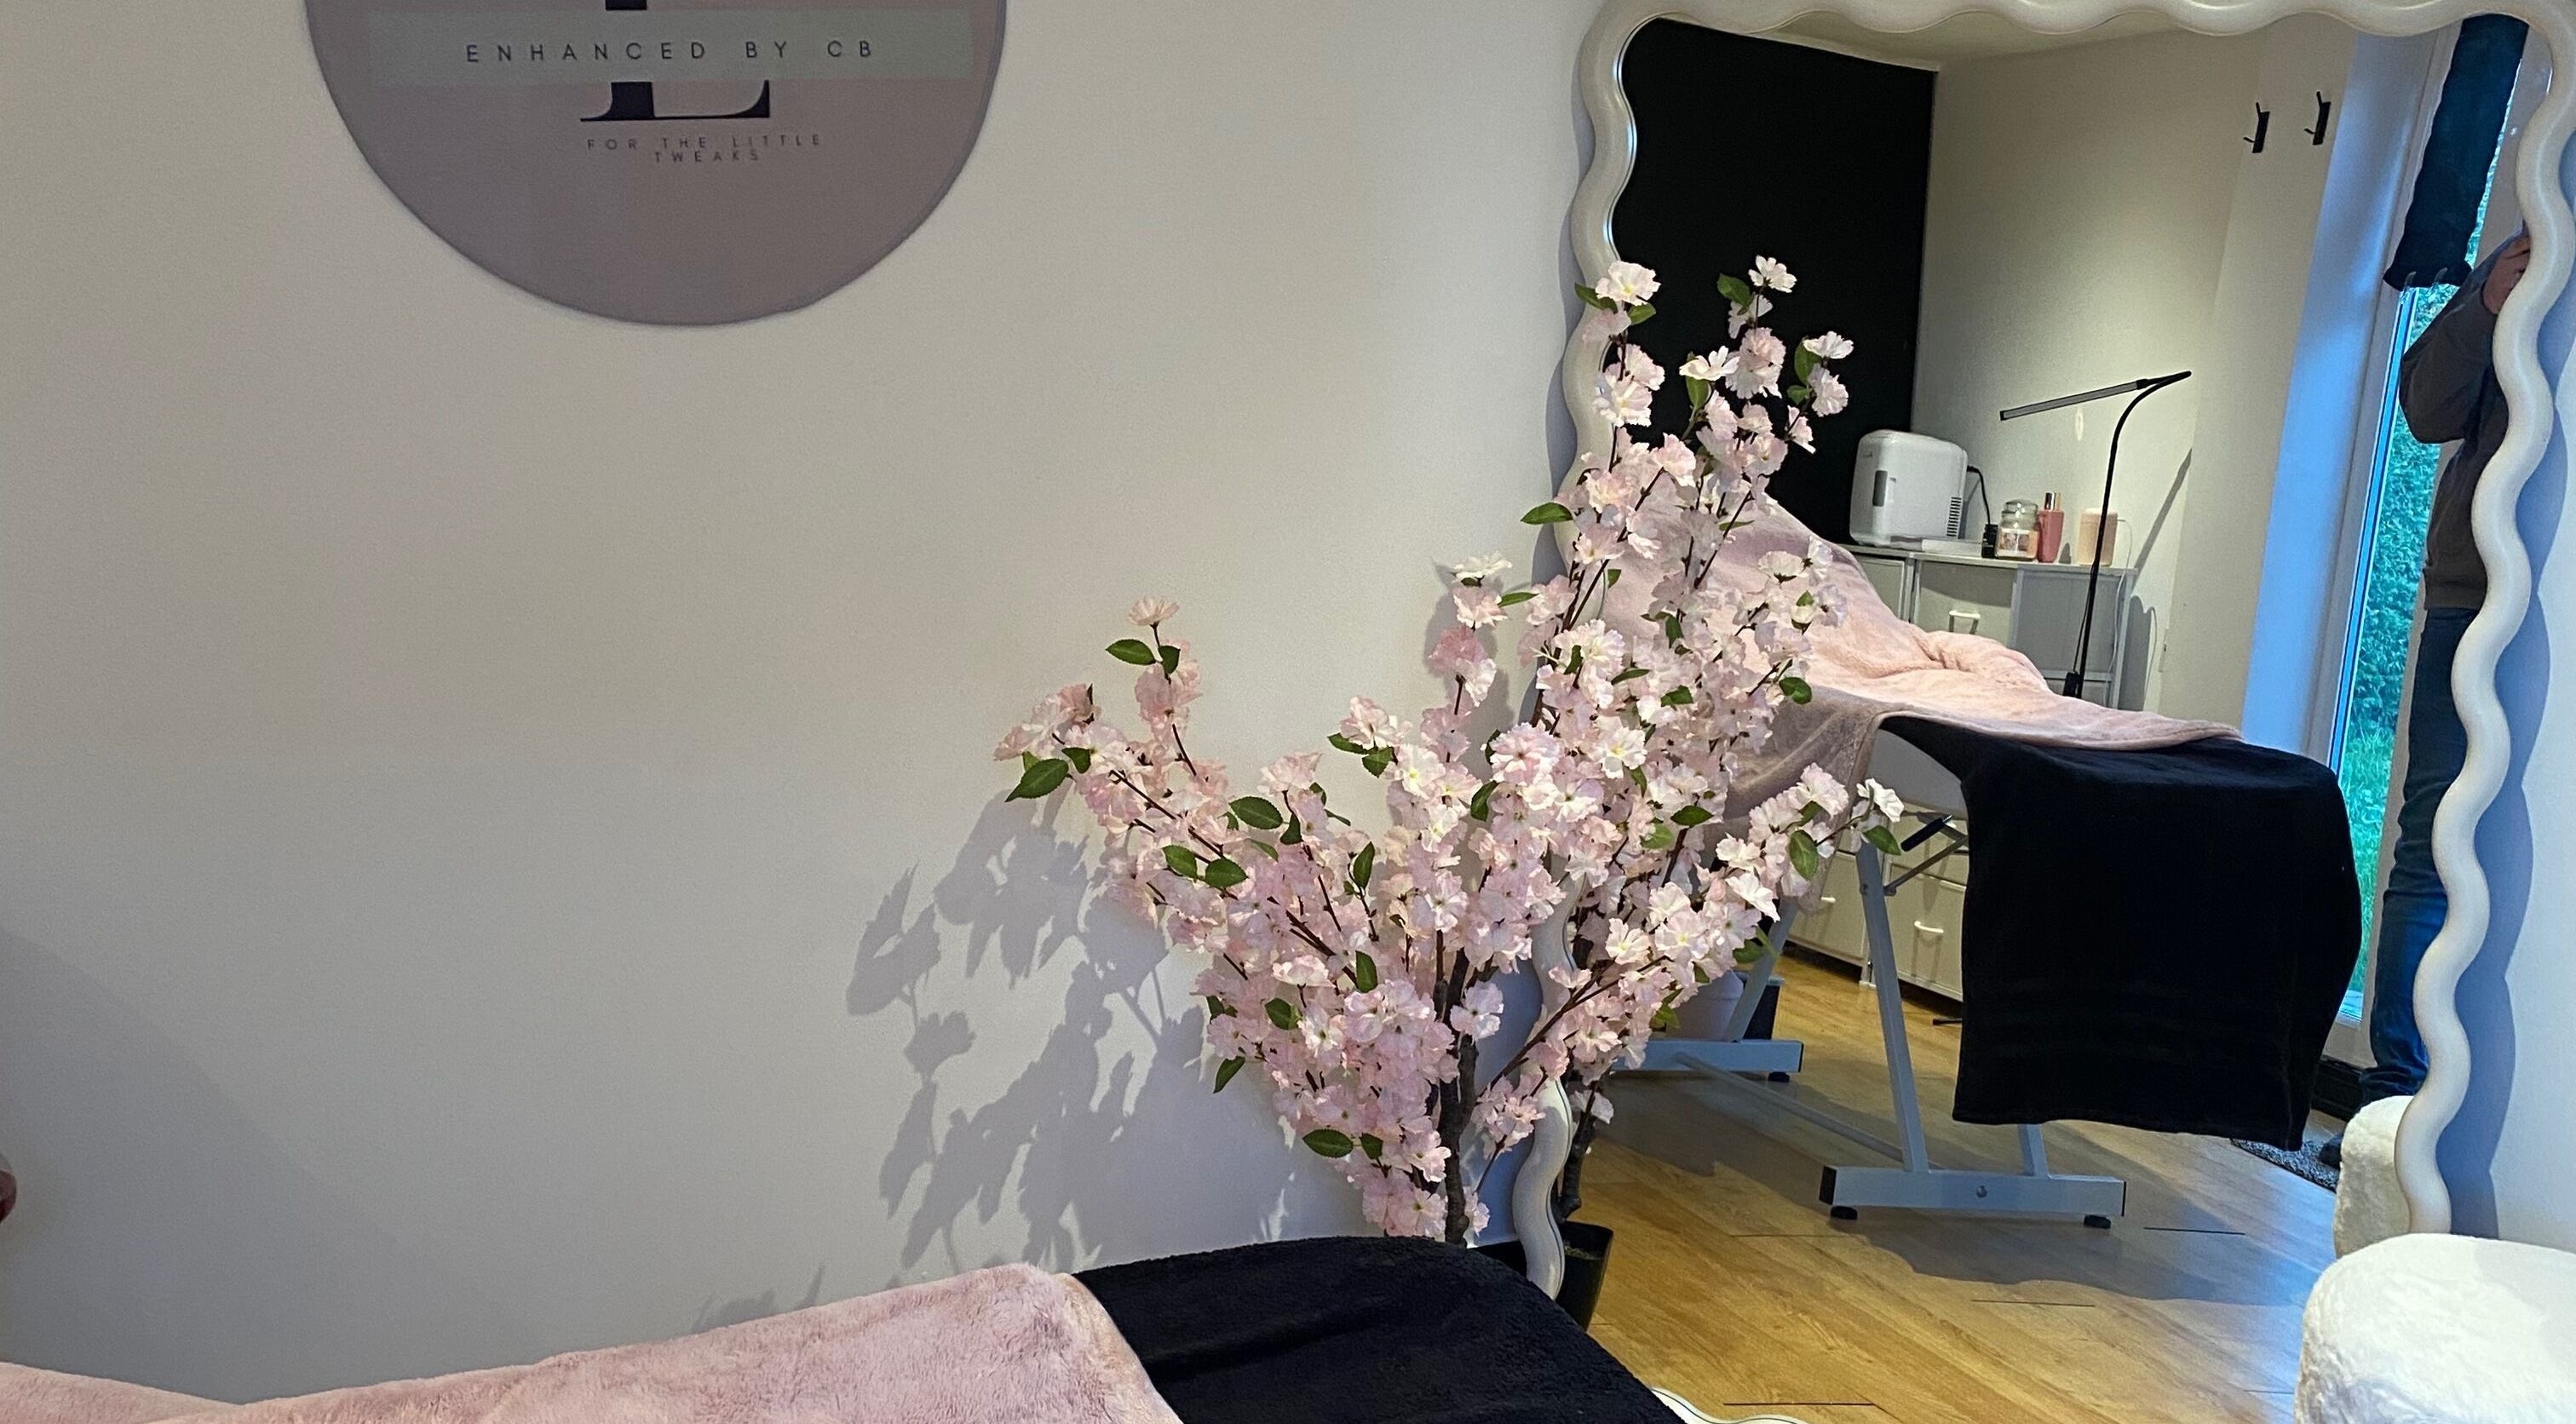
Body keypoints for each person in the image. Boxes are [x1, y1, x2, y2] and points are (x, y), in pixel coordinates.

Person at [2362, 228, 2529, 1104]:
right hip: (2473, 594)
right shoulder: (2533, 233)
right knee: (2433, 841)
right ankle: (2395, 1094)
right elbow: (2427, 409)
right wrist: (2490, 304)